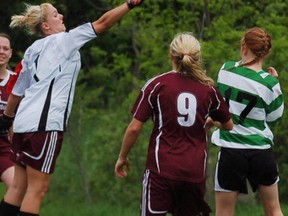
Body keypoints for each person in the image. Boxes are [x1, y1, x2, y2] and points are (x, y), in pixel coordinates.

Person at [0, 1, 143, 216]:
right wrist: (129, 5)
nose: (61, 18)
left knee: (18, 187)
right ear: (46, 26)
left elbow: (17, 91)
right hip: (44, 126)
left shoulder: (33, 49)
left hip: (22, 125)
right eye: (56, 15)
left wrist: (7, 118)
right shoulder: (65, 41)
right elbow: (103, 23)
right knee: (37, 190)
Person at [115, 32, 233, 216]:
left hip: (161, 170)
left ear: (171, 55)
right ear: (197, 57)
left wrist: (122, 156)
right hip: (194, 173)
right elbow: (228, 125)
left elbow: (134, 128)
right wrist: (210, 121)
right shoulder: (209, 89)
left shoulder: (157, 85)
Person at [211, 27, 284, 216]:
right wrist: (271, 81)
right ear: (266, 52)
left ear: (244, 47)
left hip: (231, 150)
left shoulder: (225, 69)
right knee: (274, 210)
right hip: (261, 151)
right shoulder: (270, 83)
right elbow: (274, 119)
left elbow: (220, 108)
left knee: (224, 213)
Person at [0, 33, 16, 192]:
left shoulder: (17, 80)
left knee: (17, 189)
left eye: (5, 49)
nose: (2, 52)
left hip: (6, 149)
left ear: (10, 53)